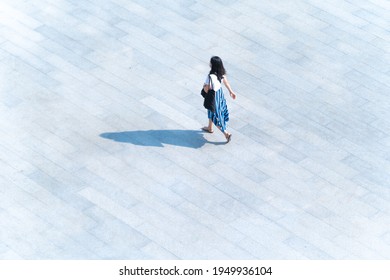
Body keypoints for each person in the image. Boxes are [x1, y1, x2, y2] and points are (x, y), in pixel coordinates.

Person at [202, 56, 236, 143]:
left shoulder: (210, 76)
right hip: (219, 95)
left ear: (212, 65)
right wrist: (231, 92)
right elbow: (226, 82)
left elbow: (207, 88)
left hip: (213, 97)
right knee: (211, 111)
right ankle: (210, 128)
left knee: (214, 115)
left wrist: (204, 87)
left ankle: (226, 134)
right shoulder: (221, 73)